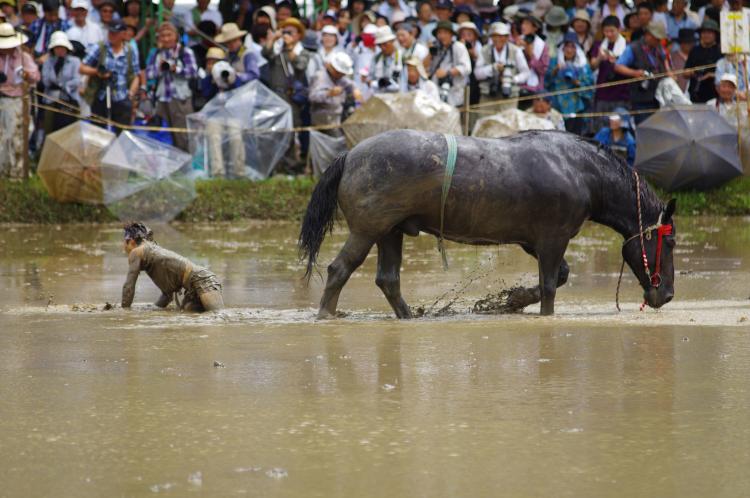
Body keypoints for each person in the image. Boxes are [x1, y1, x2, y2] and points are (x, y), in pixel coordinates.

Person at [121, 222, 224, 312]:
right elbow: (167, 296)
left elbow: (128, 287)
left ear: (131, 241)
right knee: (191, 316)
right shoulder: (152, 257)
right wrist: (152, 309)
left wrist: (124, 313)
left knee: (218, 316)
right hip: (191, 289)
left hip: (202, 280)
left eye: (123, 243)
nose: (123, 247)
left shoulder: (136, 252)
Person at [261, 17, 310, 172]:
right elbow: (265, 54)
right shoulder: (278, 50)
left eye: (291, 32)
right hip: (275, 96)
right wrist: (273, 39)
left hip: (292, 98)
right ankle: (276, 165)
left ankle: (291, 165)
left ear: (298, 35)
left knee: (290, 132)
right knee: (276, 131)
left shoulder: (302, 51)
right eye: (285, 31)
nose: (287, 34)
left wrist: (289, 48)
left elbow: (301, 66)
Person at [144, 22, 197, 151]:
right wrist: (161, 69)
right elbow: (149, 74)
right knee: (165, 134)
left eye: (169, 35)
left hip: (180, 99)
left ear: (176, 36)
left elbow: (193, 72)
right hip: (162, 99)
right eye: (163, 36)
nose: (166, 39)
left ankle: (187, 166)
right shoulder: (156, 54)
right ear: (159, 38)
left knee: (183, 135)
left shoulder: (185, 52)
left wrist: (176, 69)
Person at [80, 21, 140, 132]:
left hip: (122, 96)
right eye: (110, 32)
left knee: (123, 134)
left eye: (115, 33)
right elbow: (82, 68)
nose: (112, 35)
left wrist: (131, 95)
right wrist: (97, 72)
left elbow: (136, 75)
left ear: (123, 34)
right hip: (101, 95)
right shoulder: (100, 47)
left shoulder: (130, 51)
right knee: (98, 133)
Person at [0, 22, 39, 178]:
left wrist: (27, 76)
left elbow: (36, 76)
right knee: (1, 137)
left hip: (16, 100)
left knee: (15, 136)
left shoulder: (23, 57)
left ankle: (16, 171)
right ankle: (2, 171)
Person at [615, 21, 670, 123]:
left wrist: (669, 73)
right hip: (640, 98)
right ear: (648, 35)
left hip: (658, 97)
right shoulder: (633, 48)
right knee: (643, 127)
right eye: (656, 38)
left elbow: (665, 62)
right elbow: (618, 66)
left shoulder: (659, 48)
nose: (658, 41)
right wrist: (635, 73)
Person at [474, 22, 529, 111]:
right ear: (491, 37)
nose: (498, 39)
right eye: (495, 36)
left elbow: (526, 73)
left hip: (509, 96)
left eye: (501, 36)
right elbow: (477, 74)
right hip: (488, 95)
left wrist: (513, 79)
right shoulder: (484, 50)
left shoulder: (515, 50)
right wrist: (492, 68)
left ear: (507, 37)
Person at [545, 32, 593, 135]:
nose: (569, 50)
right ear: (562, 48)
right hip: (557, 106)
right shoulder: (554, 61)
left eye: (572, 47)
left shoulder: (583, 66)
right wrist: (555, 70)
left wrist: (578, 82)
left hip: (576, 107)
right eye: (566, 46)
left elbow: (590, 86)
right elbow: (546, 82)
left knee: (574, 137)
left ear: (577, 49)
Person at [308, 51, 361, 134]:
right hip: (321, 119)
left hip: (336, 118)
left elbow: (349, 84)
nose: (341, 75)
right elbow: (312, 96)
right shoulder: (320, 77)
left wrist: (355, 89)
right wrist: (328, 93)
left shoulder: (340, 79)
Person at [591, 16, 629, 129]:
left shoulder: (627, 45)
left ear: (619, 29)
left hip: (621, 93)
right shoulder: (599, 45)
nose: (609, 34)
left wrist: (617, 63)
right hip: (603, 92)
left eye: (612, 31)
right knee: (601, 128)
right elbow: (592, 65)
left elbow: (630, 67)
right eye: (606, 31)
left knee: (620, 128)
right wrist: (599, 58)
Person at [40, 30, 79, 134]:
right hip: (51, 99)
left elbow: (76, 80)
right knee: (49, 129)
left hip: (68, 99)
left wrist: (64, 86)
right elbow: (45, 80)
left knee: (67, 131)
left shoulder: (74, 61)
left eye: (62, 47)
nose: (60, 50)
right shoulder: (48, 62)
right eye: (57, 47)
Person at [428, 20, 471, 106]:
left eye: (445, 33)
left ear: (451, 35)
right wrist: (430, 53)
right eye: (439, 33)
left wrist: (447, 73)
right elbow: (427, 70)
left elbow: (467, 68)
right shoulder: (436, 48)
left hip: (455, 91)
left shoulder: (459, 46)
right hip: (437, 92)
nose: (442, 36)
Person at [685, 18, 722, 103]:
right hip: (695, 94)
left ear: (715, 35)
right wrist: (692, 72)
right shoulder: (695, 50)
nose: (706, 35)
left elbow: (726, 74)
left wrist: (711, 75)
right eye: (704, 32)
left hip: (714, 96)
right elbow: (685, 72)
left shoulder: (720, 51)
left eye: (709, 33)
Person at [517, 14, 549, 102]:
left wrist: (531, 55)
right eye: (522, 24)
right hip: (517, 85)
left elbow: (543, 70)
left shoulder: (543, 45)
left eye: (527, 24)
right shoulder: (516, 42)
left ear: (535, 28)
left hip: (534, 88)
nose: (523, 26)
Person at [371, 25, 402, 93]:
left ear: (392, 41)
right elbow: (370, 78)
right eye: (380, 45)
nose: (382, 48)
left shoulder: (402, 57)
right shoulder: (376, 59)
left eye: (385, 44)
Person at [671, 28, 695, 92]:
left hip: (694, 94)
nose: (690, 45)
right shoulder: (672, 58)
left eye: (691, 42)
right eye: (687, 42)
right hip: (677, 94)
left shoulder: (697, 56)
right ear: (681, 43)